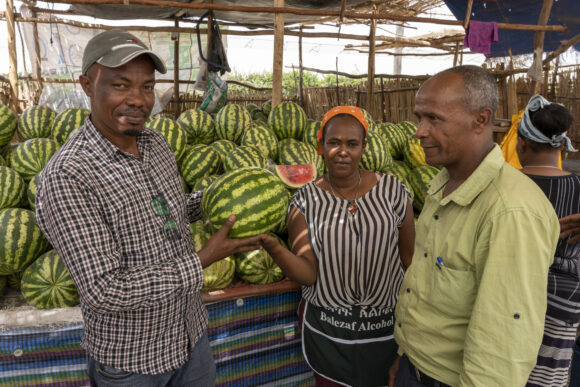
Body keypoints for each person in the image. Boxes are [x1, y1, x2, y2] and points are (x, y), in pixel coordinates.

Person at [35, 30, 262, 386]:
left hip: (191, 338)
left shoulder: (156, 143)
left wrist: (219, 201)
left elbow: (167, 212)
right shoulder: (69, 176)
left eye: (146, 86)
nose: (138, 100)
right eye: (121, 85)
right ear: (86, 85)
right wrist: (202, 259)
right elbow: (105, 289)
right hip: (134, 361)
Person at [392, 65, 560, 386]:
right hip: (415, 367)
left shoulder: (511, 211)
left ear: (481, 120)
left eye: (434, 119)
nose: (419, 131)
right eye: (419, 118)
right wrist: (405, 357)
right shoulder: (442, 183)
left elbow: (503, 342)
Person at [260, 106, 415, 386]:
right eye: (334, 143)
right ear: (321, 146)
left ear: (364, 147)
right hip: (328, 335)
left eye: (352, 144)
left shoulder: (394, 191)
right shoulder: (303, 201)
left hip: (387, 331)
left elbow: (410, 261)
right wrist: (273, 247)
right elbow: (308, 273)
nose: (343, 151)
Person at [514, 95, 580, 387]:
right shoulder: (578, 185)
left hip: (512, 298)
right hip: (565, 304)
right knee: (547, 380)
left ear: (522, 143)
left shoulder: (506, 185)